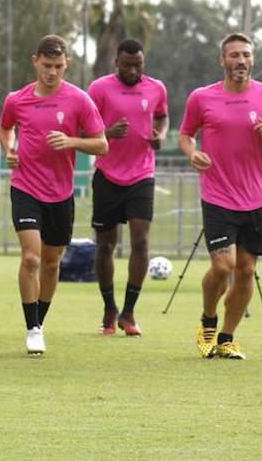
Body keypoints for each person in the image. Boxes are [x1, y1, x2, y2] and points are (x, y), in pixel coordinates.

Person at [179, 33, 262, 360]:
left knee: (245, 270)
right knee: (223, 265)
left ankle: (227, 338)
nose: (240, 60)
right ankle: (207, 319)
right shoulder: (202, 98)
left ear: (252, 59)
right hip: (217, 194)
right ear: (223, 60)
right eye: (233, 55)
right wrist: (191, 153)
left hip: (256, 197)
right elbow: (186, 135)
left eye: (245, 54)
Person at [0, 34, 108, 355]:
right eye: (47, 65)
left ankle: (40, 321)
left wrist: (72, 142)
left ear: (66, 64)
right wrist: (10, 147)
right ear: (35, 61)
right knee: (31, 257)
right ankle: (32, 327)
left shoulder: (79, 100)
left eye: (58, 66)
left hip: (60, 193)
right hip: (25, 187)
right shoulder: (16, 99)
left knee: (50, 262)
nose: (52, 72)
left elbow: (102, 144)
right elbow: (4, 128)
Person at [87, 38, 168, 336]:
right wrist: (106, 132)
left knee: (141, 242)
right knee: (106, 245)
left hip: (142, 175)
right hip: (107, 174)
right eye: (127, 65)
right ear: (116, 63)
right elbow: (82, 127)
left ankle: (129, 312)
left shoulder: (156, 88)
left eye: (139, 65)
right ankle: (109, 307)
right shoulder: (99, 89)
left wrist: (162, 134)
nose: (134, 70)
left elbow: (162, 115)